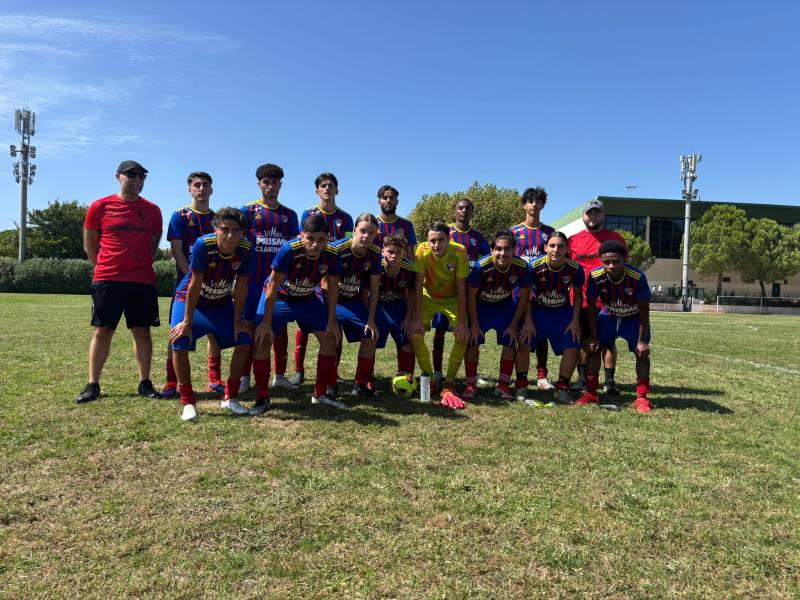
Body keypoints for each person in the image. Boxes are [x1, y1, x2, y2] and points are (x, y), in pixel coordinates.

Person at [76, 160, 162, 403]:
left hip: (142, 280)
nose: (137, 179)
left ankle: (145, 383)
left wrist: (138, 264)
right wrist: (105, 267)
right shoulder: (100, 206)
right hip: (108, 279)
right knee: (103, 331)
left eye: (142, 176)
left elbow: (153, 246)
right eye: (131, 174)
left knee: (142, 331)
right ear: (118, 177)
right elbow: (89, 245)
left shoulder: (153, 210)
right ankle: (93, 384)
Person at [168, 208, 254, 421]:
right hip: (190, 299)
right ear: (215, 229)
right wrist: (187, 321)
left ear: (243, 232)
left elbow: (242, 287)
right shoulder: (203, 245)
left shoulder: (246, 249)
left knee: (243, 338)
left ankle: (230, 398)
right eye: (225, 230)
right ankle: (188, 402)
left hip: (220, 301)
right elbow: (195, 284)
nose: (231, 236)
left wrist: (237, 320)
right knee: (179, 340)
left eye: (236, 230)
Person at [253, 214, 343, 411]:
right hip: (280, 297)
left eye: (321, 239)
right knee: (262, 339)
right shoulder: (289, 250)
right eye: (310, 238)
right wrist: (266, 322)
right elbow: (272, 286)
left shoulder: (332, 254)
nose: (315, 244)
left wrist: (332, 320)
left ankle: (319, 394)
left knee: (330, 339)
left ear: (327, 238)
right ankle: (262, 398)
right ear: (301, 235)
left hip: (307, 298)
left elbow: (332, 288)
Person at [240, 164, 300, 393]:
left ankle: (280, 376)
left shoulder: (289, 215)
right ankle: (245, 376)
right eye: (266, 182)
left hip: (278, 283)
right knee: (248, 326)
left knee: (279, 328)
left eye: (275, 182)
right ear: (259, 184)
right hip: (252, 281)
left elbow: (294, 251)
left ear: (280, 185)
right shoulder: (246, 211)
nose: (271, 186)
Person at [292, 172, 354, 386]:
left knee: (333, 325)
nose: (327, 189)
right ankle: (299, 371)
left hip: (333, 277)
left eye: (331, 185)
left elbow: (346, 248)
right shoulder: (307, 213)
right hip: (310, 278)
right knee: (304, 326)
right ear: (317, 191)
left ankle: (332, 373)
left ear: (337, 190)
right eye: (323, 186)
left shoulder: (345, 218)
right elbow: (302, 244)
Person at [162, 172, 220, 399]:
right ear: (190, 189)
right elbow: (177, 251)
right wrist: (194, 279)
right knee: (176, 332)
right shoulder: (180, 216)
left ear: (211, 190)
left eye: (206, 185)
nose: (202, 188)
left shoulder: (218, 219)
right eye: (197, 185)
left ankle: (214, 380)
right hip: (185, 286)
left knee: (213, 333)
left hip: (214, 287)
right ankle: (171, 382)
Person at [580, 239, 653, 413]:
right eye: (606, 262)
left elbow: (644, 310)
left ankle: (642, 397)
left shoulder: (637, 277)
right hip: (609, 315)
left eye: (616, 261)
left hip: (633, 317)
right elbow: (590, 307)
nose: (611, 266)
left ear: (624, 260)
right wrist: (593, 335)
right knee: (593, 348)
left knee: (641, 352)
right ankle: (591, 392)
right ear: (601, 261)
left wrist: (642, 340)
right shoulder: (595, 276)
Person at [465, 230, 534, 401]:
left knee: (510, 341)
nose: (503, 253)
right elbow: (470, 295)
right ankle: (471, 385)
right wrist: (474, 324)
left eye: (507, 249)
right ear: (492, 249)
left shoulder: (523, 266)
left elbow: (524, 296)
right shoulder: (481, 266)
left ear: (513, 250)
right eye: (498, 249)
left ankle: (503, 386)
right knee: (473, 342)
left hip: (504, 307)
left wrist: (513, 325)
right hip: (481, 307)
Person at [568, 199, 627, 394]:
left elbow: (624, 268)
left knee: (608, 342)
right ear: (583, 216)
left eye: (597, 213)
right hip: (581, 300)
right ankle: (583, 380)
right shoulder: (573, 240)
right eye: (589, 213)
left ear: (603, 216)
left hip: (608, 302)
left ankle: (609, 382)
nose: (593, 217)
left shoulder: (616, 238)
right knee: (583, 342)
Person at [410, 222, 471, 409]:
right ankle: (430, 378)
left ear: (449, 238)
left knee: (462, 336)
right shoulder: (421, 250)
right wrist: (418, 320)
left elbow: (461, 288)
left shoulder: (459, 252)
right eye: (432, 241)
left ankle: (450, 382)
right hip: (428, 296)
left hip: (452, 298)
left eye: (440, 240)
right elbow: (418, 285)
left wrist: (461, 323)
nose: (436, 245)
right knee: (416, 334)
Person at [431, 198, 489, 385]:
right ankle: (437, 371)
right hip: (445, 292)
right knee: (440, 332)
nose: (463, 211)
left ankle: (471, 374)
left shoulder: (478, 237)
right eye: (460, 208)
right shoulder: (445, 233)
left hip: (468, 292)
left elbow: (487, 260)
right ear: (454, 211)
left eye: (467, 209)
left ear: (472, 213)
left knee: (469, 333)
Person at [509, 186, 556, 399]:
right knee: (520, 335)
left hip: (542, 290)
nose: (534, 205)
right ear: (524, 205)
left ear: (543, 205)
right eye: (530, 201)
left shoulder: (549, 232)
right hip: (518, 291)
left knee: (541, 333)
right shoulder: (513, 232)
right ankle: (519, 377)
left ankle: (542, 376)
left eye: (538, 201)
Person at [330, 213, 385, 397]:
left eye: (371, 233)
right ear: (353, 231)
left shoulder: (376, 253)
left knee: (370, 335)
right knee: (331, 336)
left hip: (354, 301)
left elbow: (374, 290)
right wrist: (330, 319)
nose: (366, 236)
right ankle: (330, 384)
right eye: (362, 231)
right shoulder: (337, 250)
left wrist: (371, 319)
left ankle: (361, 384)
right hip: (333, 300)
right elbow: (325, 285)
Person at [528, 233, 585, 407]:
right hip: (537, 311)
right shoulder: (533, 266)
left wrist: (575, 321)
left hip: (561, 313)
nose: (556, 250)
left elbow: (577, 296)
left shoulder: (575, 268)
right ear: (545, 248)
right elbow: (526, 296)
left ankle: (562, 388)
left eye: (560, 246)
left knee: (573, 346)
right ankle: (521, 386)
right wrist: (528, 322)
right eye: (552, 245)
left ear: (567, 249)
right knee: (523, 343)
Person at [374, 233, 416, 379]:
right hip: (378, 306)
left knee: (407, 338)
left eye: (398, 252)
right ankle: (366, 379)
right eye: (390, 252)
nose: (394, 256)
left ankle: (406, 376)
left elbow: (411, 294)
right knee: (371, 339)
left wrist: (408, 318)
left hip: (398, 305)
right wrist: (371, 316)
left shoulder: (409, 268)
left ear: (404, 251)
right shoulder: (375, 266)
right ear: (383, 251)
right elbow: (366, 292)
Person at [374, 184, 417, 259]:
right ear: (379, 201)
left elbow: (410, 255)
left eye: (391, 198)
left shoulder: (407, 225)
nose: (388, 200)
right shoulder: (372, 223)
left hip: (400, 269)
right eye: (385, 198)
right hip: (375, 268)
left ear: (397, 201)